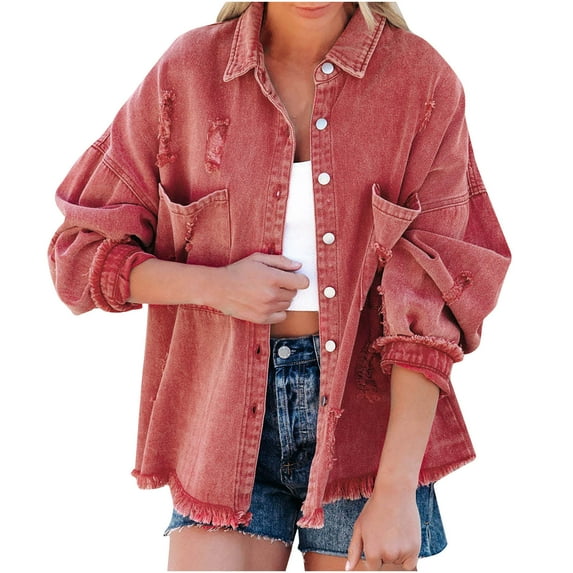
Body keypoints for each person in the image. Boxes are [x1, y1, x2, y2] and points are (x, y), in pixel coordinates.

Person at [48, 2, 511, 570]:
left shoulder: (420, 81)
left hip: (369, 425)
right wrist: (215, 286)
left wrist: (396, 490)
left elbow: (433, 305)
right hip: (222, 416)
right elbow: (78, 255)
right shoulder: (189, 71)